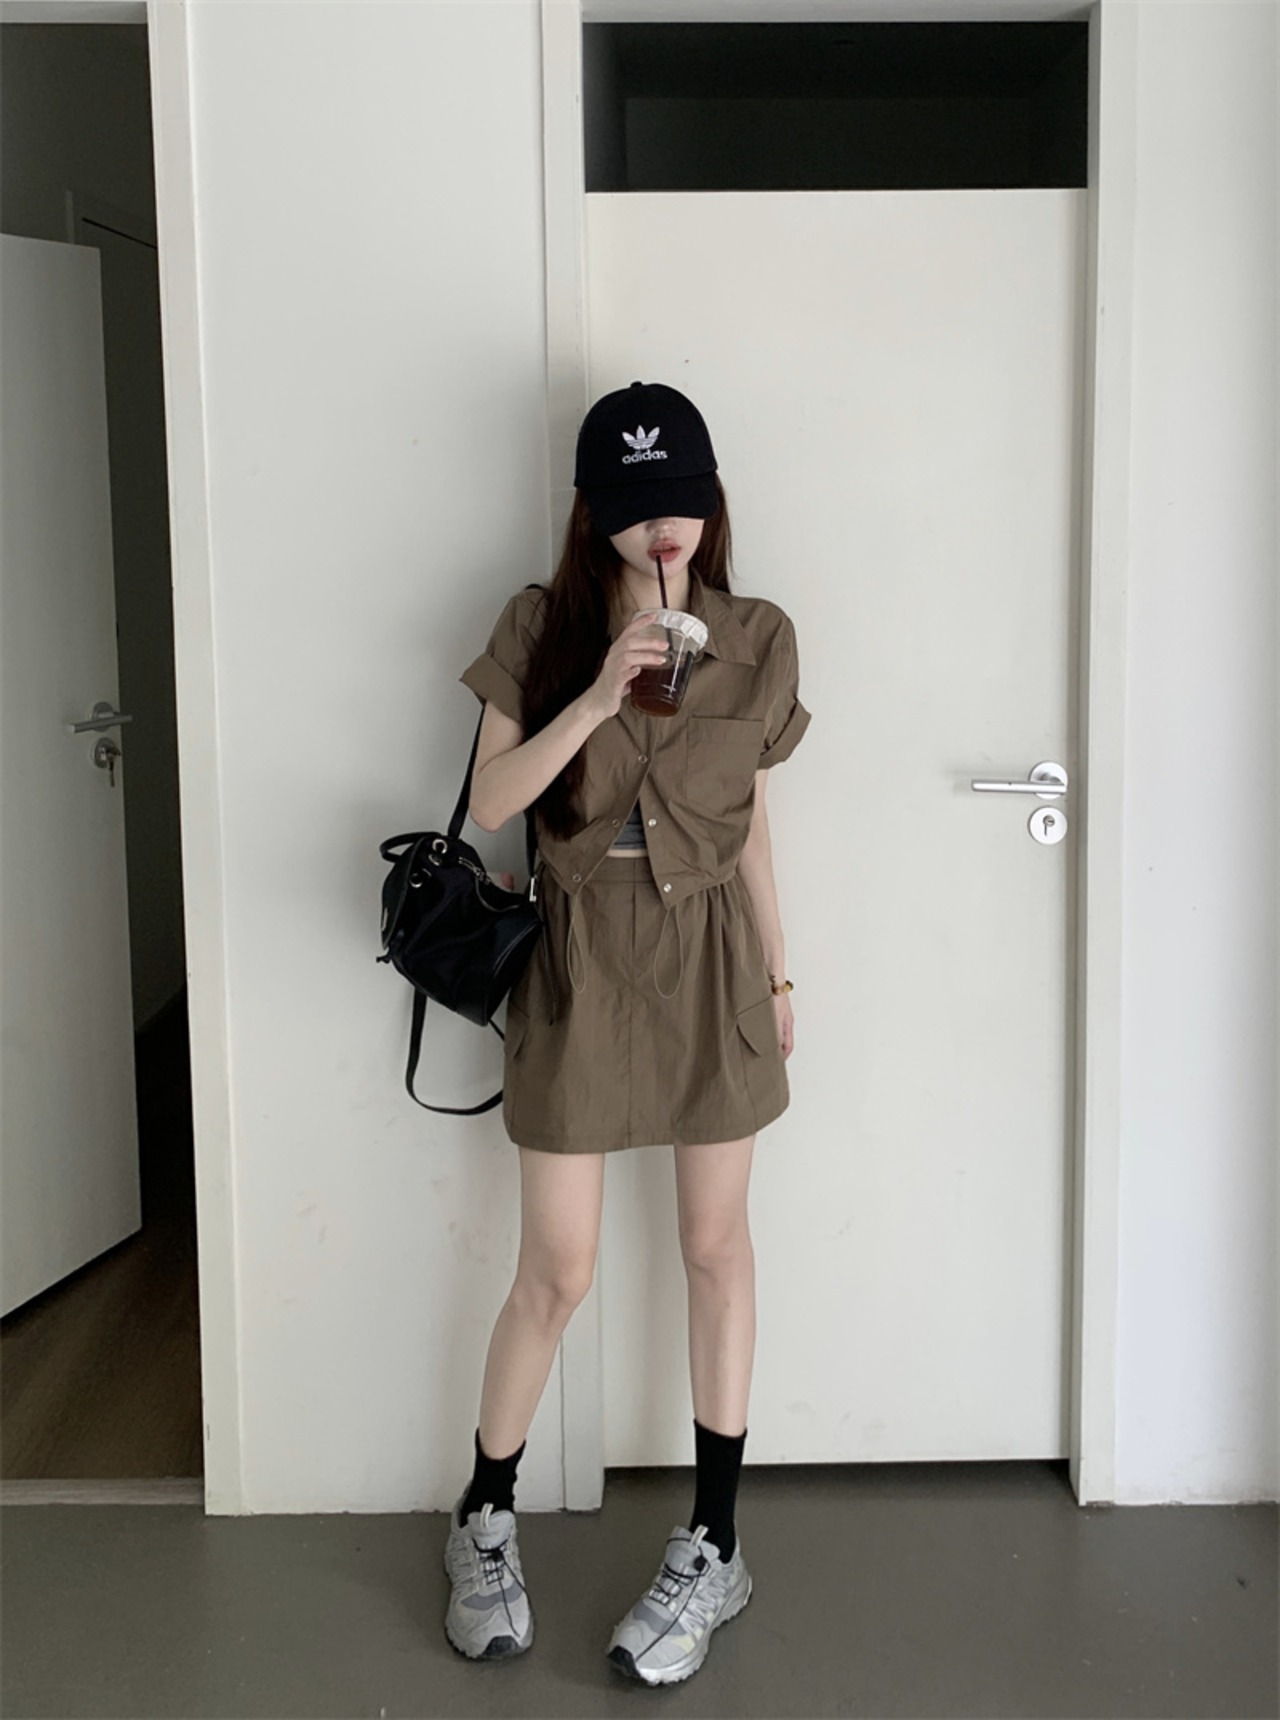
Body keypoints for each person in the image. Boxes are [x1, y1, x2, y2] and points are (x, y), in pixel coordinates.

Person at [442, 381, 811, 1686]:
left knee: (716, 1249)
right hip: (580, 957)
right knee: (558, 1269)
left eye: (683, 499)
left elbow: (752, 822)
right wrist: (601, 692)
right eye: (636, 502)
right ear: (593, 511)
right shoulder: (539, 626)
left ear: (711, 503)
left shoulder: (758, 638)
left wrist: (778, 972)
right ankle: (484, 1515)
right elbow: (495, 801)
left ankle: (715, 1543)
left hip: (712, 957)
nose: (665, 525)